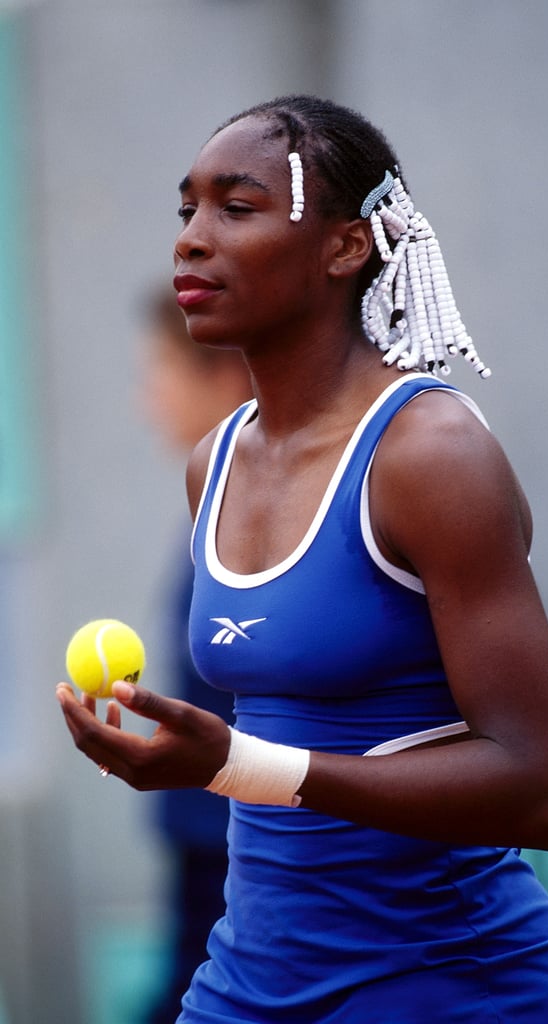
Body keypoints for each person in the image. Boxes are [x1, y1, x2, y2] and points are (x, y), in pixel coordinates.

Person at [57, 95, 548, 1023]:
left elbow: (542, 792)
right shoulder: (214, 463)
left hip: (447, 988)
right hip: (246, 985)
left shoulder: (430, 457)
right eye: (184, 208)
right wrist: (195, 754)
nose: (191, 237)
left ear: (346, 247)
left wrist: (237, 765)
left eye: (237, 206)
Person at [140, 287, 252, 1024]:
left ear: (221, 378)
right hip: (202, 855)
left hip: (238, 870)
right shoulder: (216, 507)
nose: (146, 397)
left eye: (158, 370)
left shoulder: (258, 524)